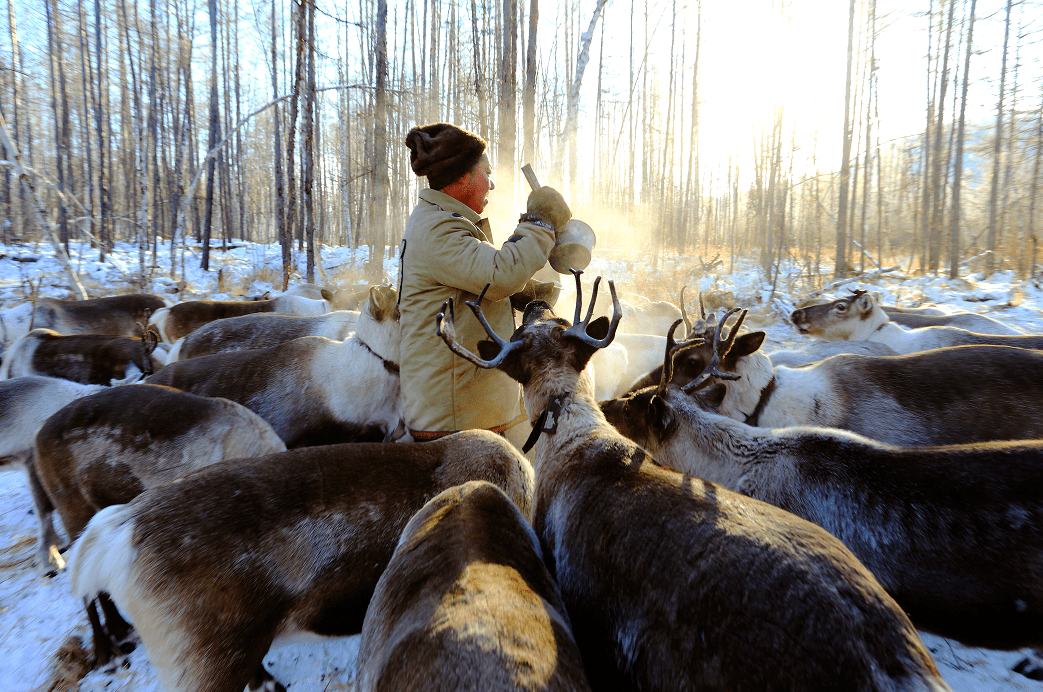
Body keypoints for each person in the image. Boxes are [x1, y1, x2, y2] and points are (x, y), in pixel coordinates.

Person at [398, 122, 571, 445]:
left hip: (464, 404)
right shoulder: (439, 229)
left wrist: (517, 294)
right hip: (454, 418)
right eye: (487, 174)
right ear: (464, 176)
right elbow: (499, 275)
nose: (491, 185)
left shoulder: (439, 220)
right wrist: (540, 222)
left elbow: (473, 283)